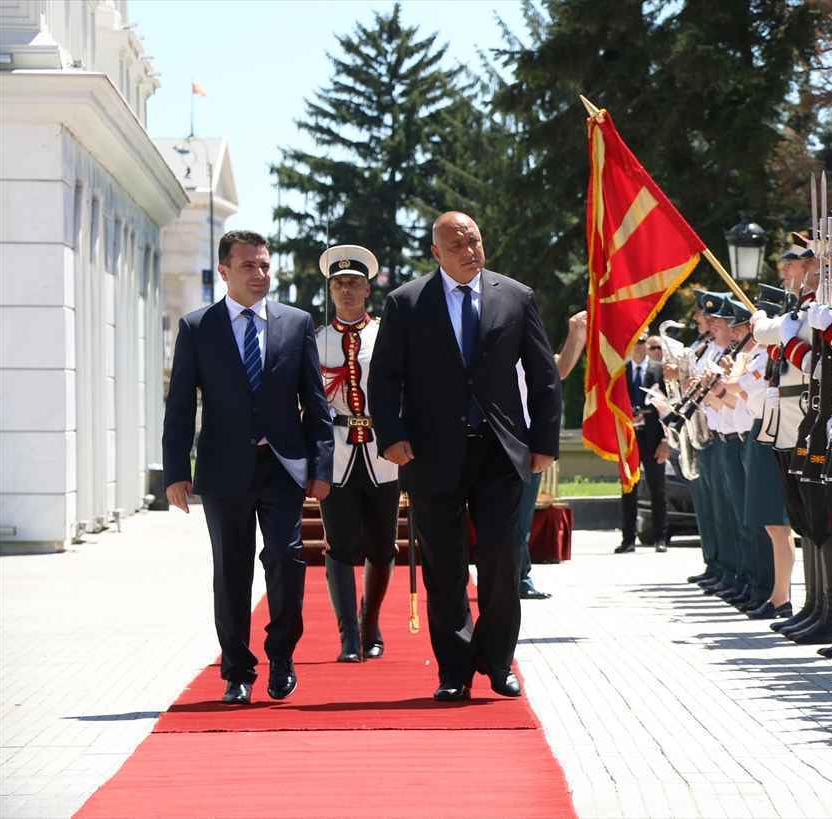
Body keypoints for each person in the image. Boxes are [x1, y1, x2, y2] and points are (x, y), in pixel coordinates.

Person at [368, 211, 561, 702]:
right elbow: (385, 378)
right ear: (436, 253)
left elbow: (542, 377)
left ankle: (497, 662)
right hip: (432, 456)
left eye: (474, 240)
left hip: (501, 454)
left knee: (501, 560)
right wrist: (391, 436)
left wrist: (543, 444)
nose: (470, 251)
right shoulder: (407, 303)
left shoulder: (516, 297)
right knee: (445, 568)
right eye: (457, 245)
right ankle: (453, 669)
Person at [162, 229, 333, 706]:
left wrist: (320, 466)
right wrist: (176, 470)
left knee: (284, 555)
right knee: (232, 571)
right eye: (248, 266)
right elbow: (179, 405)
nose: (259, 274)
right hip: (223, 470)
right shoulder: (198, 328)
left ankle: (281, 656)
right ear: (224, 272)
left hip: (282, 466)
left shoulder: (295, 324)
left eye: (264, 265)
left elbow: (315, 404)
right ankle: (237, 670)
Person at [314, 245, 400, 663]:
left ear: (368, 289)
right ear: (330, 291)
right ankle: (348, 636)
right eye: (339, 284)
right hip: (338, 457)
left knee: (383, 546)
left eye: (354, 283)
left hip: (382, 456)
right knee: (340, 545)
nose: (346, 290)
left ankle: (371, 625)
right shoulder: (315, 341)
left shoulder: (386, 335)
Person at [515, 309, 587, 599]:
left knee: (521, 516)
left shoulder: (528, 350)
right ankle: (503, 575)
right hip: (488, 440)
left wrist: (576, 334)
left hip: (525, 442)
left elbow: (558, 370)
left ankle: (519, 576)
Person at [615, 334, 670, 553]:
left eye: (642, 342)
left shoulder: (658, 371)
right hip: (629, 438)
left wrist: (666, 440)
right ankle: (628, 539)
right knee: (628, 489)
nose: (637, 346)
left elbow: (668, 409)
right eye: (634, 341)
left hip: (654, 438)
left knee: (658, 489)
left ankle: (661, 538)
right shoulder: (622, 372)